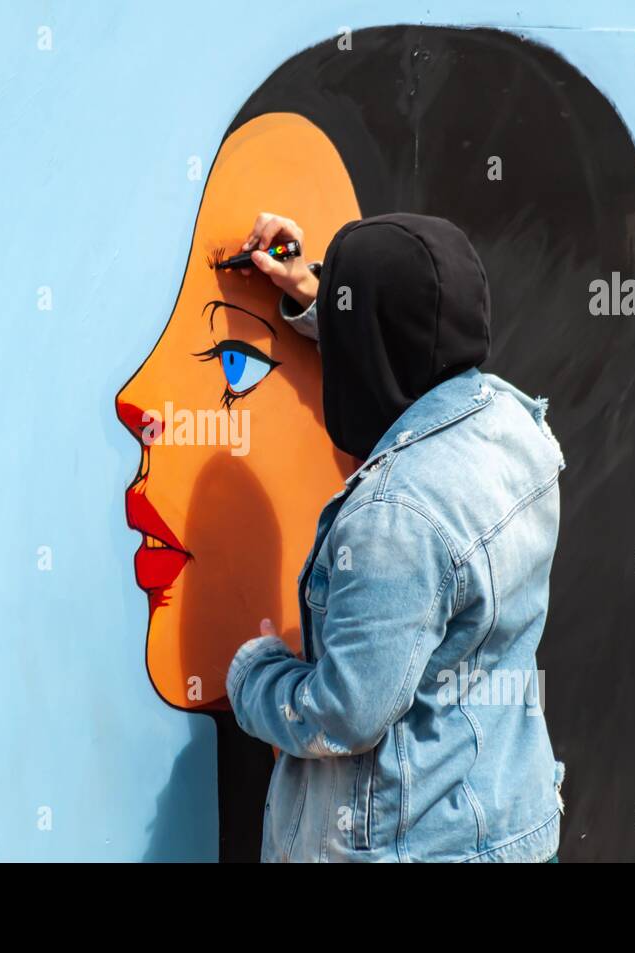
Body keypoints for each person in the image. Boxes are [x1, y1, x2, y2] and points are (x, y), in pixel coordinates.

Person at [225, 210, 566, 862]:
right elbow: (405, 349)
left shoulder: (394, 519)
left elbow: (342, 714)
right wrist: (314, 291)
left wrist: (252, 674)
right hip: (506, 828)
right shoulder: (514, 423)